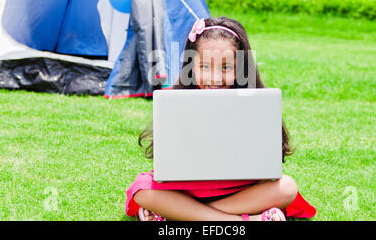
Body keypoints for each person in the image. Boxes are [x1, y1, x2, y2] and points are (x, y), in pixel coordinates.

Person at [125, 17, 316, 221]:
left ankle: (180, 213)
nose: (215, 78)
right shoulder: (177, 101)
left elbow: (268, 159)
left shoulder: (255, 101)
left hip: (240, 190)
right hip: (187, 190)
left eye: (226, 68)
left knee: (287, 187)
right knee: (141, 189)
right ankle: (244, 220)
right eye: (205, 67)